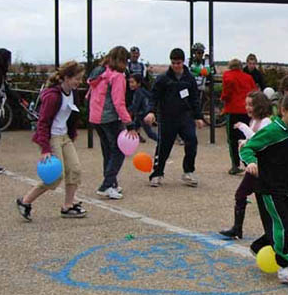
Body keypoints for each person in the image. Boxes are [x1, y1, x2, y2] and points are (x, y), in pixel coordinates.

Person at [240, 92, 288, 284]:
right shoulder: (273, 131)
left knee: (286, 224)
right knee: (280, 225)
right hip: (267, 187)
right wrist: (250, 162)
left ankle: (259, 246)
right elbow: (248, 147)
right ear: (283, 111)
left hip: (283, 186)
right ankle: (285, 268)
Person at [15, 61, 87, 221]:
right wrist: (45, 148)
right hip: (52, 137)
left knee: (75, 170)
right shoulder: (53, 96)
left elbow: (72, 116)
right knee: (55, 176)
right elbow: (43, 123)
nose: (79, 82)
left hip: (65, 136)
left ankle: (68, 206)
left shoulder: (73, 93)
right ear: (66, 78)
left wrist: (71, 134)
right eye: (77, 78)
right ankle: (25, 201)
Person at [143, 48, 206, 188]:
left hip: (185, 117)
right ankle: (157, 173)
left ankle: (188, 171)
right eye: (173, 63)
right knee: (164, 146)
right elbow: (154, 97)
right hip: (167, 117)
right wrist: (151, 111)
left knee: (192, 141)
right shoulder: (163, 79)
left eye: (178, 63)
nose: (176, 65)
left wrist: (198, 117)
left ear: (183, 62)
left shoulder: (189, 79)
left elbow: (195, 98)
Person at [218, 90, 272, 239]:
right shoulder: (254, 121)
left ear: (259, 106)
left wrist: (243, 127)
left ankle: (272, 231)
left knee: (264, 201)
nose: (247, 108)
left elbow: (258, 140)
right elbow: (253, 142)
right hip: (253, 166)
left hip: (261, 168)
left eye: (251, 105)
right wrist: (244, 143)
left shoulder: (266, 121)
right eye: (246, 104)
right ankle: (238, 229)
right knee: (243, 194)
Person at [88, 46, 137, 200]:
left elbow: (89, 95)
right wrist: (128, 122)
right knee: (119, 150)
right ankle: (107, 184)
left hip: (95, 117)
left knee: (107, 151)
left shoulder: (99, 74)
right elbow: (118, 102)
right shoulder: (117, 76)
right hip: (110, 117)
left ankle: (112, 183)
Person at [221, 58, 258, 175]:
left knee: (232, 139)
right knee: (247, 137)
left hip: (233, 110)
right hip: (247, 110)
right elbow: (254, 92)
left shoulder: (228, 75)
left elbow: (226, 93)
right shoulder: (248, 77)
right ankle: (249, 162)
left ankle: (235, 165)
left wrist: (223, 99)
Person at [127, 73, 158, 142]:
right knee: (134, 127)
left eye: (132, 82)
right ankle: (137, 137)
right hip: (141, 114)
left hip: (143, 115)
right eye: (129, 82)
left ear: (139, 83)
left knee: (150, 133)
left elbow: (135, 106)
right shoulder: (143, 90)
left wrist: (126, 111)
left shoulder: (138, 92)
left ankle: (162, 141)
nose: (130, 84)